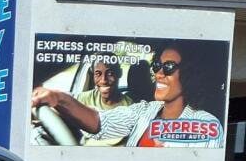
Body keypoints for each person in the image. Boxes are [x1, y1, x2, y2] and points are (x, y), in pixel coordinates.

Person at [31, 42, 224, 147]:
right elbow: (99, 122)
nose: (159, 73)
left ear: (190, 74)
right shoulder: (144, 110)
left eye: (169, 67)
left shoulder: (206, 124)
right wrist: (58, 98)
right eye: (157, 65)